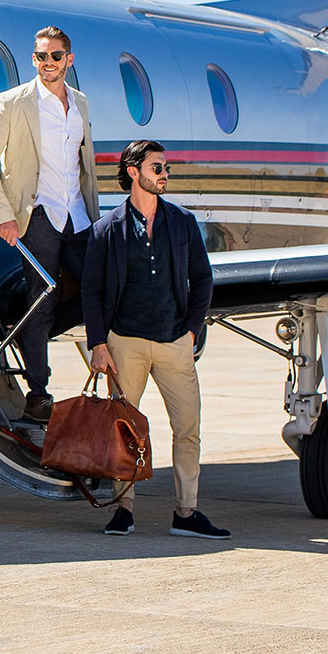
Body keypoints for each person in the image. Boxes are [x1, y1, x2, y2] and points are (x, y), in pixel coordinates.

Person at [81, 139, 227, 539]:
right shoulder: (106, 229)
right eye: (157, 167)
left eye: (166, 168)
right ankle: (124, 508)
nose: (165, 174)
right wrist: (98, 344)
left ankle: (186, 512)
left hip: (173, 342)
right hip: (124, 344)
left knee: (187, 426)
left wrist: (191, 330)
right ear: (134, 172)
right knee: (125, 430)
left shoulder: (182, 222)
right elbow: (91, 291)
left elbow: (202, 278)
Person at [0, 26, 98, 423]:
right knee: (42, 297)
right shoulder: (12, 102)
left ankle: (26, 334)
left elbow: (83, 165)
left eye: (56, 56)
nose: (48, 63)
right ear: (34, 60)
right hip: (38, 215)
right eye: (41, 56)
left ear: (69, 60)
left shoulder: (80, 104)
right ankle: (39, 393)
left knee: (99, 288)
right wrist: (4, 215)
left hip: (77, 215)